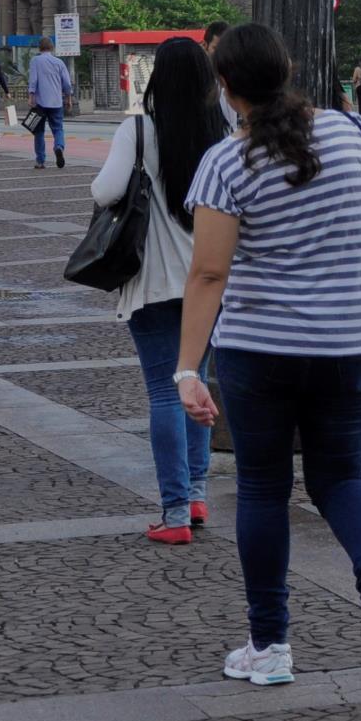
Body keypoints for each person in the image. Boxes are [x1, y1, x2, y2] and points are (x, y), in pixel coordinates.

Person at [174, 23, 361, 688]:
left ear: (225, 88)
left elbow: (208, 274)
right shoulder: (353, 134)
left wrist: (186, 369)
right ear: (288, 67)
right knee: (342, 479)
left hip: (259, 351)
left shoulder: (226, 163)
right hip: (348, 344)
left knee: (262, 487)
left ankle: (270, 646)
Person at [92, 37, 230, 544]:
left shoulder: (138, 129)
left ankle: (174, 513)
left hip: (153, 279)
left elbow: (105, 191)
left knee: (166, 393)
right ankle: (195, 495)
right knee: (198, 383)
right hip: (210, 278)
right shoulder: (222, 130)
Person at [27, 37, 75, 169]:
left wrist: (31, 96)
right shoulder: (59, 62)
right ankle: (59, 147)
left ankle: (40, 160)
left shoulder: (35, 60)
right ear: (52, 47)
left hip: (40, 102)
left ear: (39, 48)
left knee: (39, 132)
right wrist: (68, 99)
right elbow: (66, 83)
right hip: (56, 102)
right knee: (58, 129)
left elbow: (33, 80)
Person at [203, 20, 238, 130]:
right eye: (216, 48)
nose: (221, 54)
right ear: (205, 45)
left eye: (226, 49)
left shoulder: (236, 76)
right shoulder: (199, 79)